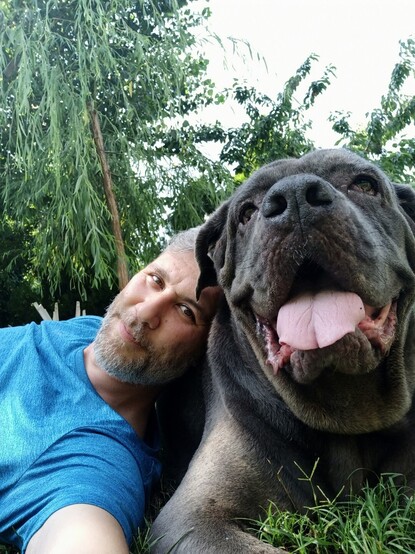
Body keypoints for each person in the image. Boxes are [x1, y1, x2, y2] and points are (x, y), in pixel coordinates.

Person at [0, 227, 221, 554]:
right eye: (155, 280)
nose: (144, 313)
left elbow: (80, 536)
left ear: (202, 354)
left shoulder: (96, 462)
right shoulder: (88, 329)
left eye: (186, 311)